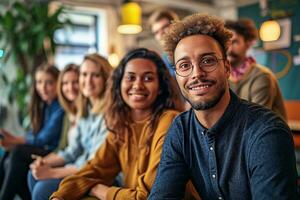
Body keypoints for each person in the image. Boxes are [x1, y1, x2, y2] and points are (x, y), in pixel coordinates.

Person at [149, 13, 299, 200]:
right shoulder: (180, 129)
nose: (197, 73)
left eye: (208, 61)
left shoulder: (266, 131)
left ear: (227, 68)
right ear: (177, 75)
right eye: (184, 65)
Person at [50, 48, 184, 200]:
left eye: (148, 78)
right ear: (119, 83)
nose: (137, 85)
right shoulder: (122, 123)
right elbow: (94, 168)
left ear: (160, 87)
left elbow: (147, 196)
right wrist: (59, 196)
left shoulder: (170, 121)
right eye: (130, 78)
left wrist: (98, 190)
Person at [27, 54, 112, 200]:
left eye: (95, 75)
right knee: (32, 175)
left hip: (99, 176)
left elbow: (94, 165)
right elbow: (73, 150)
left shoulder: (110, 114)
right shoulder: (86, 108)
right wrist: (44, 162)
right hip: (81, 167)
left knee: (42, 189)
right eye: (84, 74)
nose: (88, 81)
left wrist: (52, 173)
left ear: (106, 78)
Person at [0, 64, 64, 200]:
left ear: (58, 83)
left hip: (54, 153)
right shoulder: (45, 106)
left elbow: (43, 139)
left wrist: (14, 140)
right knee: (9, 155)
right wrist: (13, 141)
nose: (43, 88)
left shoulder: (60, 107)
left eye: (49, 83)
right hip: (42, 149)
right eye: (39, 82)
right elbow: (33, 135)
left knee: (17, 152)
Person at [225, 18, 287, 120]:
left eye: (235, 42)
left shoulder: (262, 76)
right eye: (227, 43)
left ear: (248, 43)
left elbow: (255, 120)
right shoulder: (224, 77)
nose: (229, 48)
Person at [148, 8, 179, 76]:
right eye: (156, 32)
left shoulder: (191, 48)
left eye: (164, 27)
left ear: (176, 25)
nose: (161, 33)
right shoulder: (163, 61)